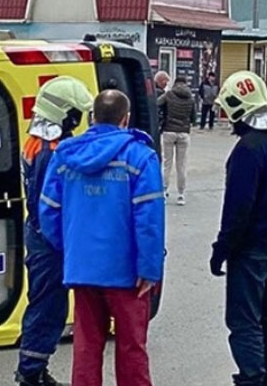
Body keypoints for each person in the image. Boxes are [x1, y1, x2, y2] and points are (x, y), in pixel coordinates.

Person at [39, 90, 165, 386]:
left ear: (92, 117)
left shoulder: (66, 155)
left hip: (83, 270)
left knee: (86, 347)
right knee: (131, 348)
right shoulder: (140, 156)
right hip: (128, 275)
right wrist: (149, 269)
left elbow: (47, 211)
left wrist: (70, 249)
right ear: (126, 119)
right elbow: (149, 220)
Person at [209, 71, 267, 386]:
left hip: (251, 247)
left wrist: (221, 251)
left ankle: (252, 377)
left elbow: (237, 210)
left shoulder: (247, 149)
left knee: (244, 319)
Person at [15, 76, 94, 386]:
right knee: (48, 308)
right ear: (64, 113)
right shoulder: (51, 151)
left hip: (39, 238)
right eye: (76, 113)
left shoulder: (36, 142)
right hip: (49, 242)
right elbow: (49, 205)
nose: (79, 120)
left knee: (45, 303)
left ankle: (33, 369)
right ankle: (31, 373)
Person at [157, 76, 196, 205]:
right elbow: (194, 118)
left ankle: (163, 191)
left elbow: (157, 103)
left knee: (167, 163)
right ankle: (181, 195)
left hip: (169, 131)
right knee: (181, 165)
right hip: (184, 133)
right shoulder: (190, 98)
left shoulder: (168, 95)